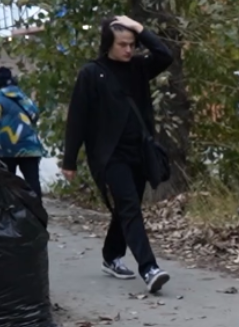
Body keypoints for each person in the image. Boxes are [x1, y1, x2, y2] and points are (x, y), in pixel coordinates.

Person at [61, 15, 173, 293]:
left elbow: (165, 55)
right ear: (108, 44)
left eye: (132, 44)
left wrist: (140, 28)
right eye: (122, 44)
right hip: (109, 155)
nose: (128, 49)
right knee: (130, 207)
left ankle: (111, 256)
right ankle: (149, 268)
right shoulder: (92, 73)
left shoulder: (138, 67)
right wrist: (69, 160)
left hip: (139, 151)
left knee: (127, 207)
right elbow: (77, 118)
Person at [0, 67, 46, 197]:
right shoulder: (25, 99)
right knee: (33, 182)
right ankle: (36, 208)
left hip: (7, 148)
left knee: (7, 184)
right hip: (30, 147)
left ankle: (11, 208)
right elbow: (35, 115)